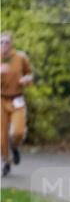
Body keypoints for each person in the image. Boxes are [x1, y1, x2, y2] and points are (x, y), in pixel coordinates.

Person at [1, 32, 34, 178]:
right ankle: (6, 163)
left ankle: (14, 147)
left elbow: (30, 74)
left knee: (18, 132)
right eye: (1, 42)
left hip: (17, 99)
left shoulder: (20, 57)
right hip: (1, 100)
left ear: (11, 44)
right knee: (2, 136)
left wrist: (26, 79)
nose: (4, 45)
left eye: (6, 42)